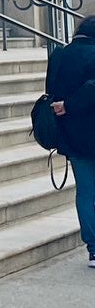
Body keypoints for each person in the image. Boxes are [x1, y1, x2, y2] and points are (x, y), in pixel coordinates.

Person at [45, 14, 95, 267]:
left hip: (72, 133)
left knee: (85, 191)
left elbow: (50, 91)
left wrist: (66, 106)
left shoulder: (59, 55)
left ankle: (94, 248)